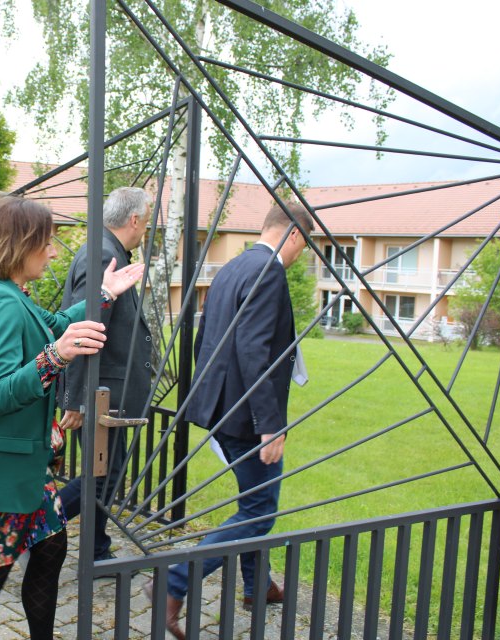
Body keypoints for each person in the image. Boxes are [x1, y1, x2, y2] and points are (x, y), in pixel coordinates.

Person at [0, 196, 144, 640]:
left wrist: (102, 295)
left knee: (50, 551)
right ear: (21, 245)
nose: (54, 252)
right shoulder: (0, 303)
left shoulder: (10, 295)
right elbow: (1, 393)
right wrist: (56, 356)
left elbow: (56, 322)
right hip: (1, 471)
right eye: (47, 242)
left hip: (23, 466)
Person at [157, 202, 313, 640]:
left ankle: (257, 586)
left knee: (253, 499)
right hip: (246, 417)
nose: (300, 255)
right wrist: (270, 424)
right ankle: (174, 582)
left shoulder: (231, 268)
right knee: (258, 511)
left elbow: (203, 340)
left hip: (221, 408)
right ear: (294, 234)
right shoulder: (269, 272)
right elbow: (253, 350)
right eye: (304, 245)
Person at [57, 186, 153, 565]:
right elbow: (83, 328)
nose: (146, 229)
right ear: (134, 220)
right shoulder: (102, 254)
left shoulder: (107, 249)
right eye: (147, 221)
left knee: (102, 475)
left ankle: (96, 550)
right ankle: (33, 529)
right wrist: (77, 399)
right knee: (101, 477)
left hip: (105, 392)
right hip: (99, 394)